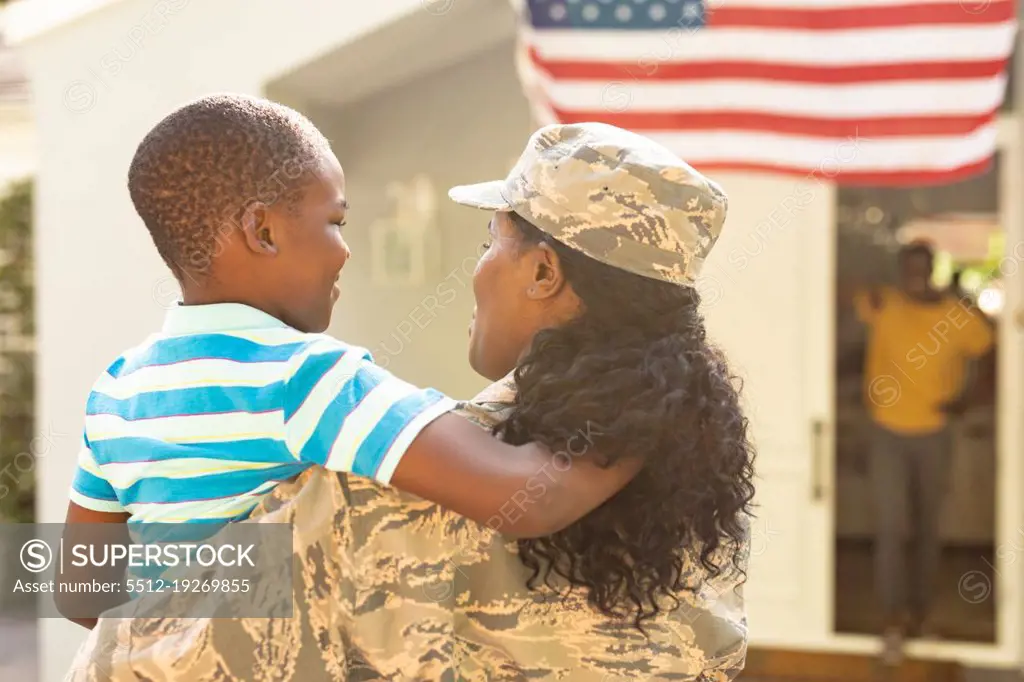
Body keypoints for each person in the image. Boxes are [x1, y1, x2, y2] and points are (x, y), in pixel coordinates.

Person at [65, 121, 754, 681]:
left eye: (491, 241)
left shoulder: (123, 391)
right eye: (334, 223)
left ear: (544, 271)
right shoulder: (689, 488)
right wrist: (639, 427)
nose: (345, 252)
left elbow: (80, 595)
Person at [854, 240, 993, 656]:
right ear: (900, 269)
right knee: (893, 530)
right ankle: (893, 621)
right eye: (906, 267)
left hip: (934, 433)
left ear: (932, 268)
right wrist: (875, 280)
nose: (913, 275)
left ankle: (923, 615)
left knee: (928, 530)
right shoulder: (883, 303)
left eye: (920, 267)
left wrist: (971, 398)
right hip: (886, 433)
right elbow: (844, 290)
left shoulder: (957, 315)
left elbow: (994, 349)